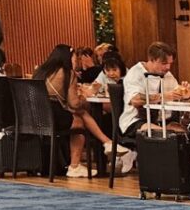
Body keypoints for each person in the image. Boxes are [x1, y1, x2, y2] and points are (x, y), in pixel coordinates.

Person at [33, 44, 124, 177]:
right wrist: (84, 96)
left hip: (35, 116)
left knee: (80, 114)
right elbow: (74, 104)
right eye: (75, 58)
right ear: (68, 57)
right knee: (79, 120)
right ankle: (76, 165)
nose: (77, 61)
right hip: (53, 116)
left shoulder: (41, 71)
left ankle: (107, 143)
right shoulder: (67, 72)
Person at [120, 42, 190, 139]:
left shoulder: (166, 74)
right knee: (168, 137)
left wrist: (185, 95)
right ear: (152, 60)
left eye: (170, 64)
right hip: (135, 121)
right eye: (164, 63)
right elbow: (135, 100)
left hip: (162, 120)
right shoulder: (136, 73)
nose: (168, 67)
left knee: (186, 135)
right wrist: (163, 96)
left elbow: (175, 94)